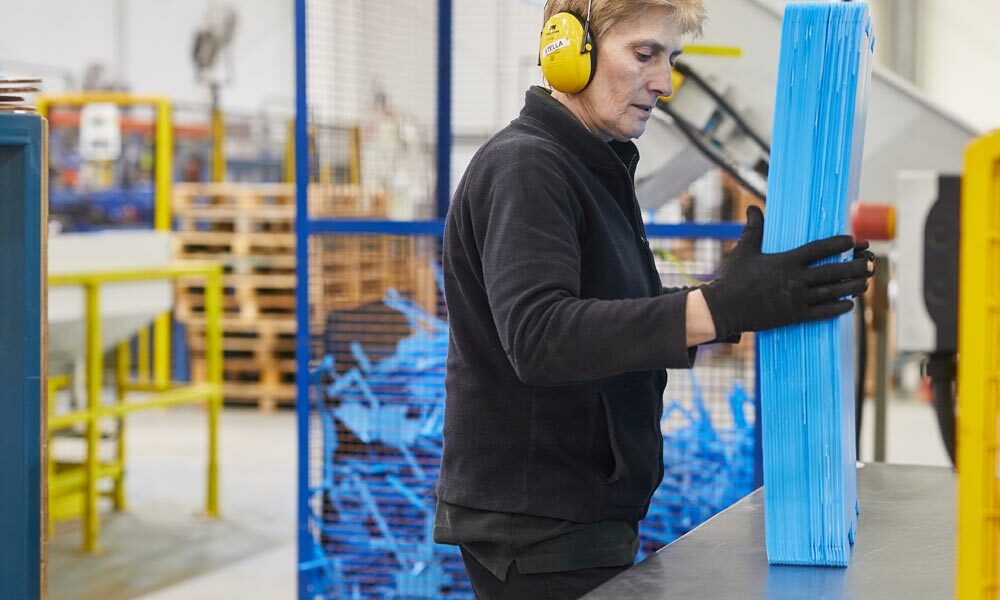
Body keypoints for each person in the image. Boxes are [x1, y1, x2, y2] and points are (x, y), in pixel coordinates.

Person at [434, 1, 874, 598]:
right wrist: (721, 308)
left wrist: (733, 300)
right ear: (567, 50)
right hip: (537, 531)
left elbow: (609, 308)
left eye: (672, 60)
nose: (664, 83)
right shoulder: (527, 167)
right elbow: (541, 337)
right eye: (643, 54)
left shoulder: (591, 166)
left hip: (575, 516)